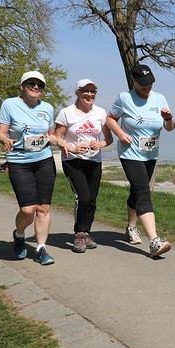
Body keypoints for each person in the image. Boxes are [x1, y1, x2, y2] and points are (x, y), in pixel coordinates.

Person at [106, 63, 175, 258]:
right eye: (143, 83)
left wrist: (168, 118)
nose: (147, 86)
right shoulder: (124, 98)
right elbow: (110, 118)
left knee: (138, 190)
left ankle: (130, 227)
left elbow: (170, 127)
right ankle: (154, 242)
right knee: (144, 191)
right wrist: (120, 133)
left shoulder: (160, 98)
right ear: (134, 81)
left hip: (150, 154)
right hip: (130, 153)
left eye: (150, 82)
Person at [0, 70, 63, 266]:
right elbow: (1, 132)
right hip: (19, 161)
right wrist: (5, 139)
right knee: (28, 210)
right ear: (22, 87)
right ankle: (19, 235)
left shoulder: (48, 108)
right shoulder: (9, 104)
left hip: (44, 160)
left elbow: (50, 135)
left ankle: (41, 248)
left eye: (40, 85)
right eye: (31, 84)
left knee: (43, 207)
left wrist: (63, 143)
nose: (36, 88)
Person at [54, 79, 113, 254]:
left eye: (93, 91)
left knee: (92, 200)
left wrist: (100, 144)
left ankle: (87, 232)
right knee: (83, 197)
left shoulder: (100, 113)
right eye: (85, 91)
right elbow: (57, 138)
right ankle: (79, 233)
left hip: (94, 161)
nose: (89, 95)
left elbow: (109, 139)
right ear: (77, 93)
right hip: (72, 161)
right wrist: (72, 147)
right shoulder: (66, 113)